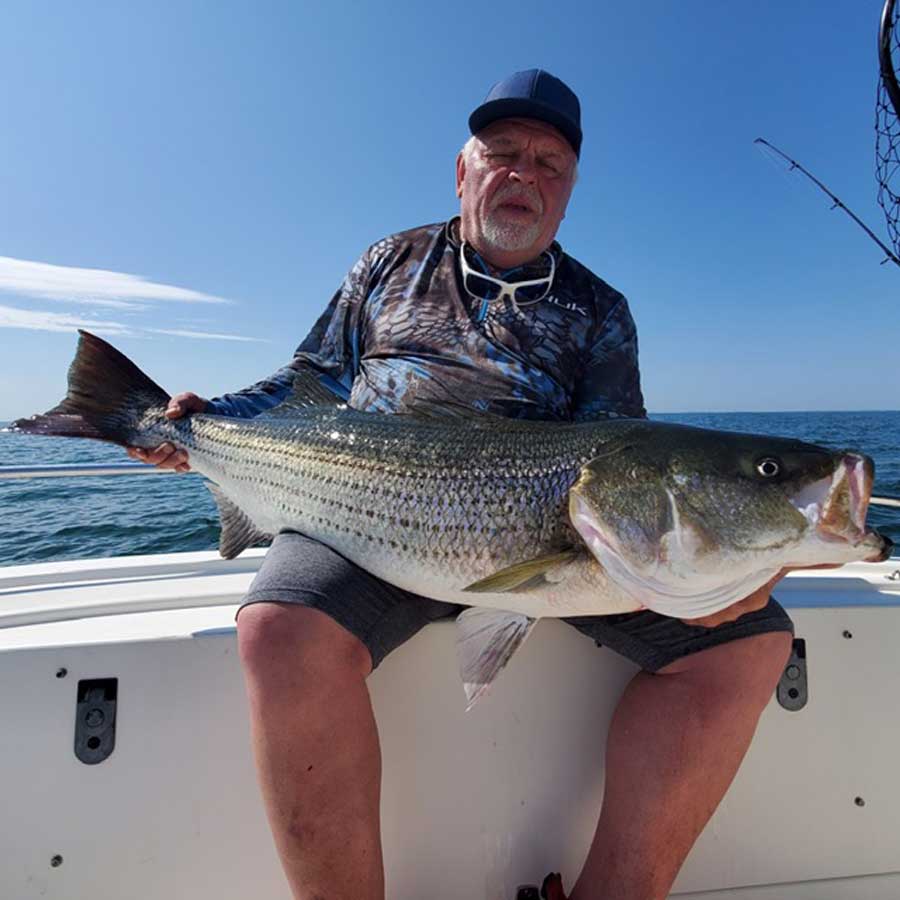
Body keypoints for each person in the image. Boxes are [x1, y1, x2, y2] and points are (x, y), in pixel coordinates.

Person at [129, 70, 795, 900]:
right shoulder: (390, 262)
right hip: (364, 515)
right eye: (504, 153)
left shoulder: (600, 310)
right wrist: (196, 421)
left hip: (542, 538)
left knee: (753, 640)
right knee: (277, 628)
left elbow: (625, 457)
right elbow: (310, 376)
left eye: (551, 163)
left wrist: (733, 561)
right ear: (462, 171)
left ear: (571, 191)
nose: (525, 175)